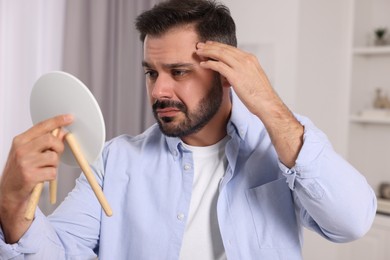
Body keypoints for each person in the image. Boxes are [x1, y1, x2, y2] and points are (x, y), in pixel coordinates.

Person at [0, 0, 376, 259]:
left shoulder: (280, 151)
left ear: (225, 73)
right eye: (151, 72)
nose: (159, 90)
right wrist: (12, 205)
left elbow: (351, 222)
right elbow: (59, 251)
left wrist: (269, 105)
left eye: (179, 72)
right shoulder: (115, 161)